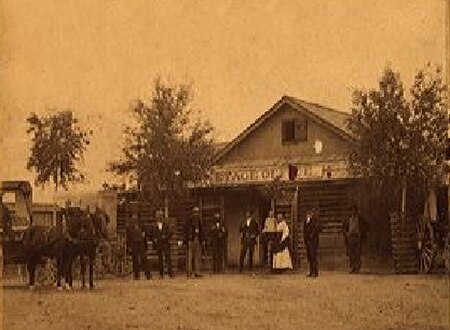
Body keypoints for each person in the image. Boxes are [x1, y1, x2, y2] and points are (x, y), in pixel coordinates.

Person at [342, 205, 368, 274]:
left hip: (357, 237)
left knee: (357, 253)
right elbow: (344, 227)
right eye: (351, 210)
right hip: (350, 237)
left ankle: (357, 267)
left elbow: (365, 226)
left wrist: (361, 234)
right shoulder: (348, 219)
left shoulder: (360, 218)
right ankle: (353, 267)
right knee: (351, 253)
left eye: (354, 210)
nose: (352, 212)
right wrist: (346, 234)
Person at [126, 212, 151, 280]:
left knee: (144, 259)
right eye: (133, 217)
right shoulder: (129, 227)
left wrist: (145, 242)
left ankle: (148, 274)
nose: (135, 218)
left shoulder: (141, 225)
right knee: (135, 260)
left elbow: (145, 234)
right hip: (134, 244)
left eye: (136, 217)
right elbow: (128, 237)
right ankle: (136, 275)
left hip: (141, 244)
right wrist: (129, 246)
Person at [152, 210, 173, 278]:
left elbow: (170, 232)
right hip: (159, 244)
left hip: (165, 243)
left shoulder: (166, 224)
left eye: (160, 215)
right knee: (160, 259)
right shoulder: (154, 225)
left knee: (168, 258)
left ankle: (170, 273)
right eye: (158, 216)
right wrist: (154, 239)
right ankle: (161, 274)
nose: (159, 217)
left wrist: (165, 236)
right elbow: (152, 234)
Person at [185, 206, 204, 278]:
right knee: (191, 256)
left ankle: (196, 272)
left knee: (196, 256)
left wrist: (201, 239)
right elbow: (189, 230)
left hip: (196, 239)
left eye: (197, 212)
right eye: (195, 212)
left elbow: (200, 230)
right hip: (192, 239)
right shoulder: (191, 220)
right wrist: (189, 239)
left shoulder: (198, 220)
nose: (196, 213)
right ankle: (190, 272)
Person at [303, 208, 322, 277]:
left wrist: (312, 234)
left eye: (309, 214)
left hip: (313, 241)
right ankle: (311, 271)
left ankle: (315, 272)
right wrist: (305, 239)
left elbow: (318, 229)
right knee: (310, 257)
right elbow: (304, 230)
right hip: (308, 241)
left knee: (314, 256)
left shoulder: (315, 220)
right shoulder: (306, 221)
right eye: (307, 214)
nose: (308, 215)